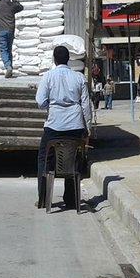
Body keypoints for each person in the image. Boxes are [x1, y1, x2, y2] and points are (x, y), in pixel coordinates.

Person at [35, 46, 93, 209]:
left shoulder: (48, 77)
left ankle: (43, 198)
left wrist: (51, 106)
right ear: (68, 59)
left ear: (54, 59)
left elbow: (40, 101)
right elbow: (86, 106)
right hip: (75, 127)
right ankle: (71, 199)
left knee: (43, 158)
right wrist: (87, 128)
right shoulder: (79, 78)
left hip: (54, 126)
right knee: (73, 158)